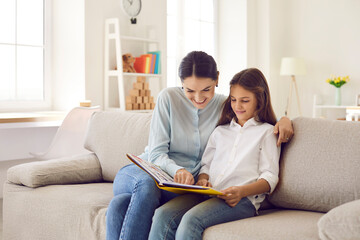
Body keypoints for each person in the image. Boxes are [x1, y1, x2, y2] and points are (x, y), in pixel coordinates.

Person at [106, 52, 293, 240]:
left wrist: (285, 120)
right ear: (181, 83)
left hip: (186, 187)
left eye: (206, 89)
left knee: (119, 205)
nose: (198, 97)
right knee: (146, 186)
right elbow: (156, 154)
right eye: (189, 90)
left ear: (217, 79)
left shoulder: (225, 104)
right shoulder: (168, 98)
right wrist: (179, 170)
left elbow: (258, 119)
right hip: (148, 172)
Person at [148, 68, 281, 240]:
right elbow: (207, 165)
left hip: (242, 201)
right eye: (233, 100)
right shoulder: (220, 131)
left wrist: (241, 191)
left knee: (191, 220)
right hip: (209, 193)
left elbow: (270, 177)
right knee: (162, 214)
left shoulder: (267, 132)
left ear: (260, 100)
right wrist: (203, 179)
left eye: (245, 101)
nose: (237, 106)